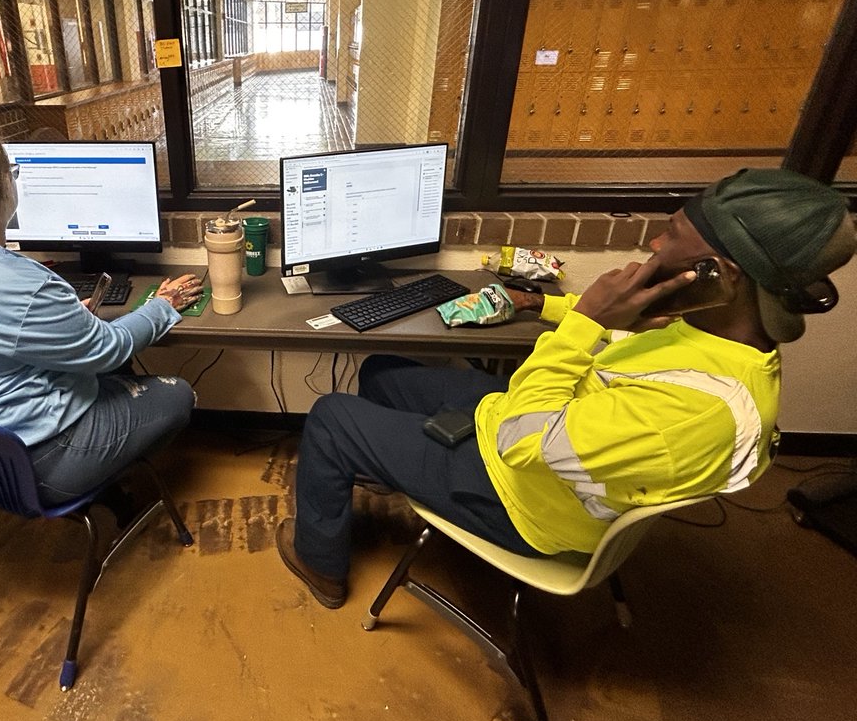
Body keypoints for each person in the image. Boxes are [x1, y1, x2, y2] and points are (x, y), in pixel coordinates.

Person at [278, 168, 856, 609]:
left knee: (331, 417)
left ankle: (320, 564)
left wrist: (583, 324)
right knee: (383, 369)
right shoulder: (713, 331)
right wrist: (541, 303)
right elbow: (627, 330)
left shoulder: (697, 411)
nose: (657, 245)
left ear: (719, 273)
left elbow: (519, 443)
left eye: (673, 234)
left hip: (522, 494)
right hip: (539, 437)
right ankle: (396, 467)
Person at [0, 124, 203, 505]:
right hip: (37, 464)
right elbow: (108, 349)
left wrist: (60, 322)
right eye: (12, 172)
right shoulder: (22, 284)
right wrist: (162, 306)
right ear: (4, 188)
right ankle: (101, 477)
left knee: (111, 376)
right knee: (178, 394)